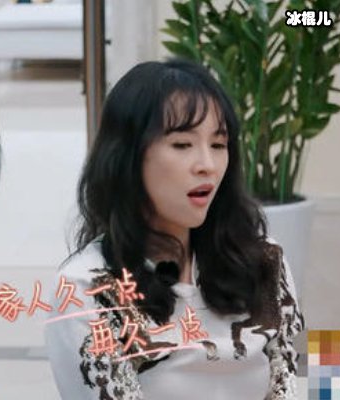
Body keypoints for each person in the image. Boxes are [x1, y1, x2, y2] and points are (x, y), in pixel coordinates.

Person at [44, 59, 304, 399]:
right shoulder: (89, 288)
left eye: (218, 145)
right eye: (182, 145)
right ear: (128, 157)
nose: (207, 165)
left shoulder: (264, 262)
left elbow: (287, 386)